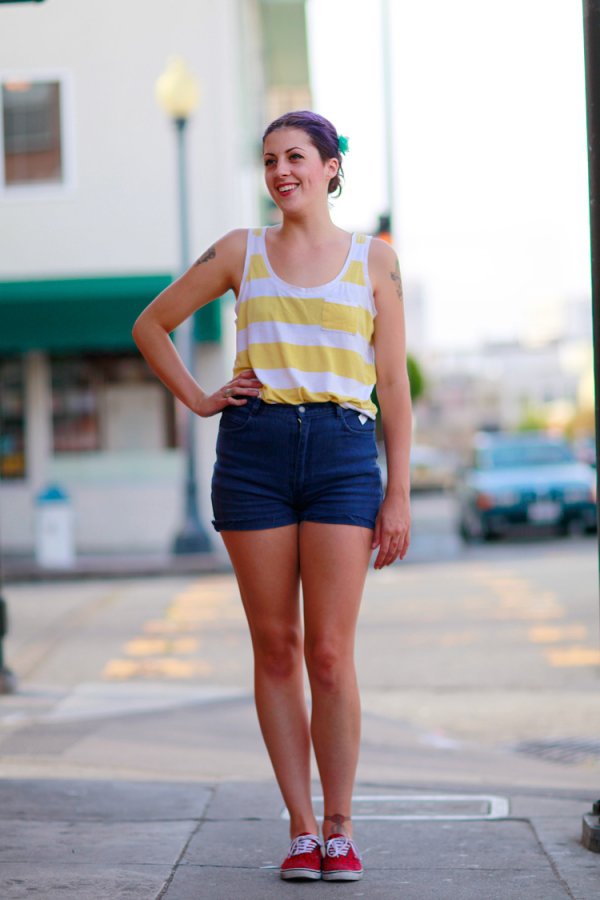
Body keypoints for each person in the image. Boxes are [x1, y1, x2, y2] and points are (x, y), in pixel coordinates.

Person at [132, 110, 412, 882]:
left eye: (296, 156)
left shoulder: (375, 260)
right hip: (254, 451)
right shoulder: (238, 252)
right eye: (269, 160)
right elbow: (151, 325)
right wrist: (196, 397)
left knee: (328, 653)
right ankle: (298, 827)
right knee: (277, 648)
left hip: (343, 453)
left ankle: (341, 824)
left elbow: (392, 385)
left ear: (330, 168)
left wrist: (399, 496)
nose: (281, 171)